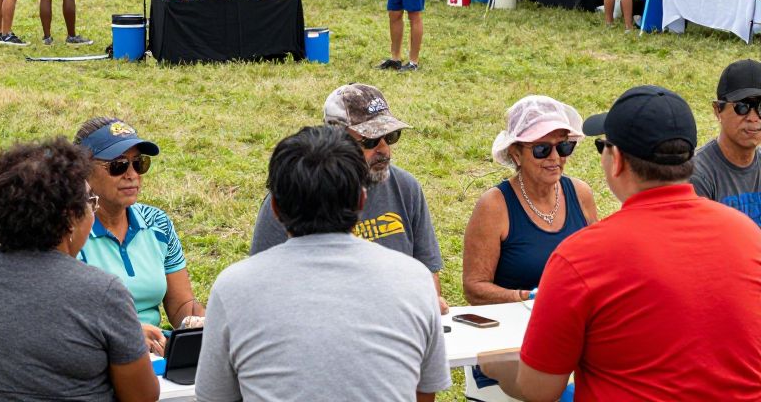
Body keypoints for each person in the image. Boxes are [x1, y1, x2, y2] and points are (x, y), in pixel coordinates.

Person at [486, 85, 761, 401]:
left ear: (615, 160)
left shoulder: (580, 257)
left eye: (602, 146)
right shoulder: (749, 235)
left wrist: (496, 366)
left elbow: (539, 389)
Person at [198, 125, 451, 402]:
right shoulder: (414, 278)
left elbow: (215, 396)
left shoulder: (233, 288)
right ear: (361, 200)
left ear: (275, 209)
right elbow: (425, 392)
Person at [0, 137, 159, 402]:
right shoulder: (103, 292)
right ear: (70, 217)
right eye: (91, 201)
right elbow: (143, 397)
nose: (94, 210)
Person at [252, 83, 449, 313]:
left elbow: (428, 278)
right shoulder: (298, 194)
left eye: (390, 136)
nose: (384, 150)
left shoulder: (406, 188)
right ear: (337, 140)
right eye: (370, 140)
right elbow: (264, 287)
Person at [462, 95, 598, 397]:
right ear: (516, 153)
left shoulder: (580, 194)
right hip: (512, 350)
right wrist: (527, 298)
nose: (555, 157)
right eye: (541, 149)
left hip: (570, 343)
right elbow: (474, 288)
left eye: (564, 146)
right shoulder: (494, 206)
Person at [74, 117, 205, 355]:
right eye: (119, 165)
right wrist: (128, 335)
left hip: (157, 355)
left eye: (139, 163)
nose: (132, 174)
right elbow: (69, 321)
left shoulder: (158, 224)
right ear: (83, 171)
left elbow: (182, 307)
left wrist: (202, 323)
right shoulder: (70, 232)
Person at [691, 59, 761, 226]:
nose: (753, 118)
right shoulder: (697, 176)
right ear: (717, 110)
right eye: (742, 106)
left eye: (760, 107)